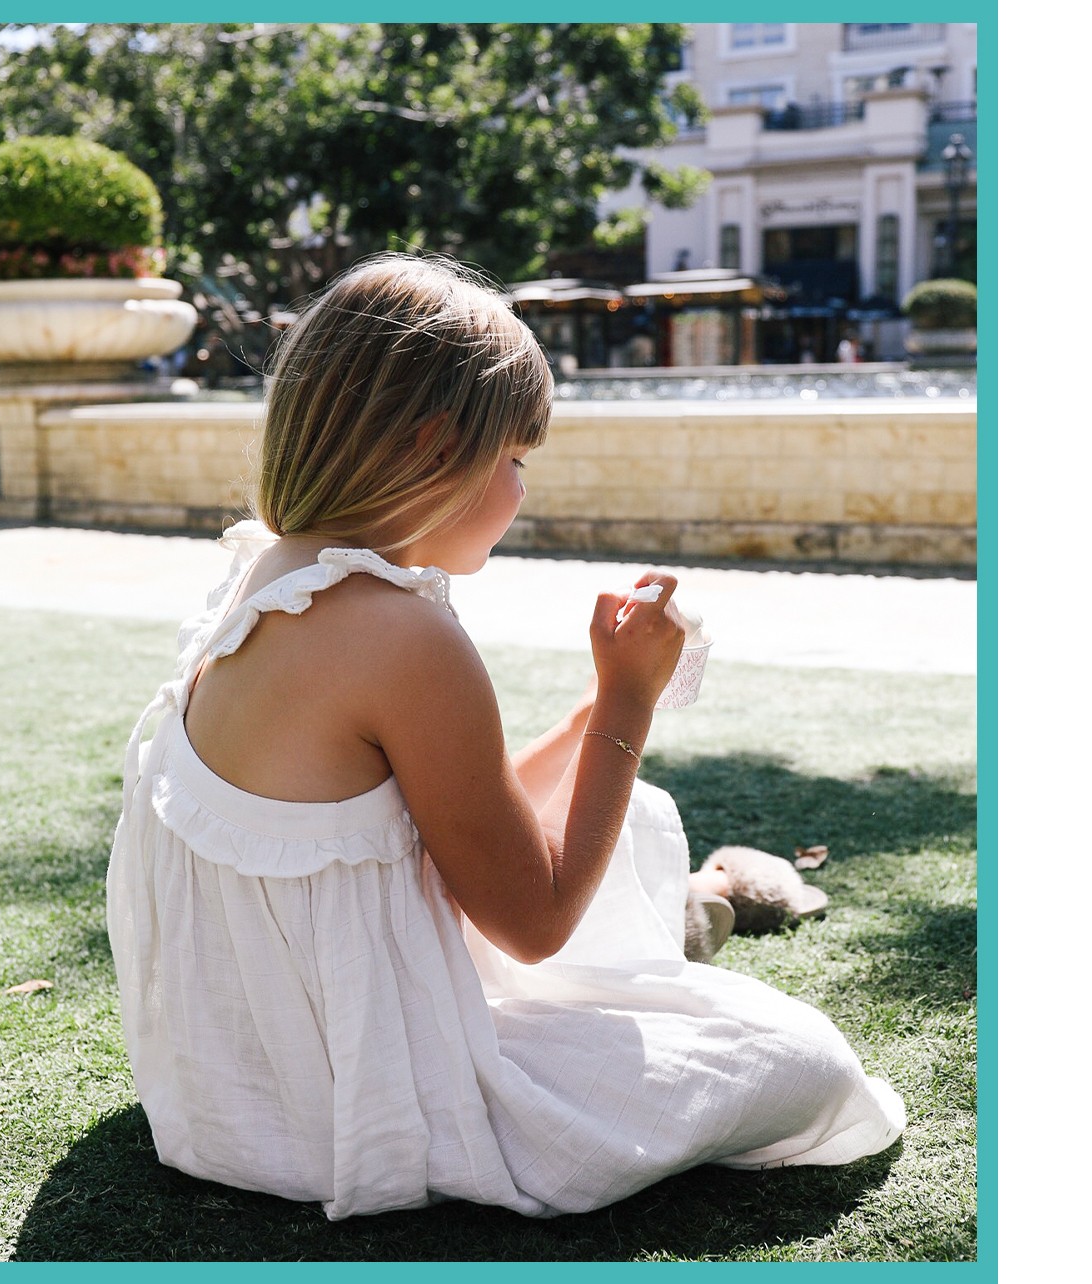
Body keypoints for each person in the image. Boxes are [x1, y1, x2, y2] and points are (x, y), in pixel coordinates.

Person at [106, 253, 905, 1221]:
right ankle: (713, 908)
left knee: (631, 820)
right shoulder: (401, 630)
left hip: (233, 1093)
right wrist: (626, 706)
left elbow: (417, 829)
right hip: (362, 1106)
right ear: (439, 447)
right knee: (808, 1064)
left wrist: (581, 715)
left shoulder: (264, 566)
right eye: (515, 459)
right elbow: (531, 922)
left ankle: (709, 908)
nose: (523, 489)